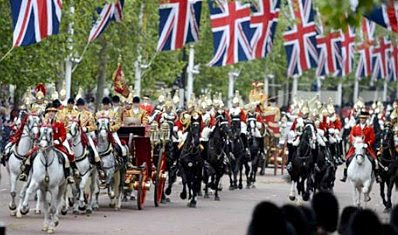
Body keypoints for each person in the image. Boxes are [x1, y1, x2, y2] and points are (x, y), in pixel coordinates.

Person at [19, 104, 75, 183]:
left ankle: (68, 175)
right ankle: (25, 172)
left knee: (66, 157)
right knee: (31, 154)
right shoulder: (43, 123)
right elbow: (39, 133)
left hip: (56, 144)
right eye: (49, 112)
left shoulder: (60, 123)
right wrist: (38, 138)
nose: (51, 113)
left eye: (53, 112)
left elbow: (63, 135)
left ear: (56, 113)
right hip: (44, 144)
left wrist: (58, 140)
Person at [340, 110, 378, 182]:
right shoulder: (355, 127)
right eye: (361, 118)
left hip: (366, 147)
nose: (362, 120)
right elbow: (351, 136)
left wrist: (368, 143)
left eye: (364, 118)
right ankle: (345, 175)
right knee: (347, 159)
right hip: (356, 147)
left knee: (375, 161)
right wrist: (353, 142)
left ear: (366, 119)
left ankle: (377, 175)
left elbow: (372, 138)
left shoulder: (370, 128)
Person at [75, 98, 101, 168]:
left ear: (84, 106)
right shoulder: (74, 114)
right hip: (75, 135)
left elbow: (94, 126)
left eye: (81, 105)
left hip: (86, 135)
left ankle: (98, 165)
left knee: (93, 150)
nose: (79, 107)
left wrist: (86, 129)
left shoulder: (88, 114)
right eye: (78, 105)